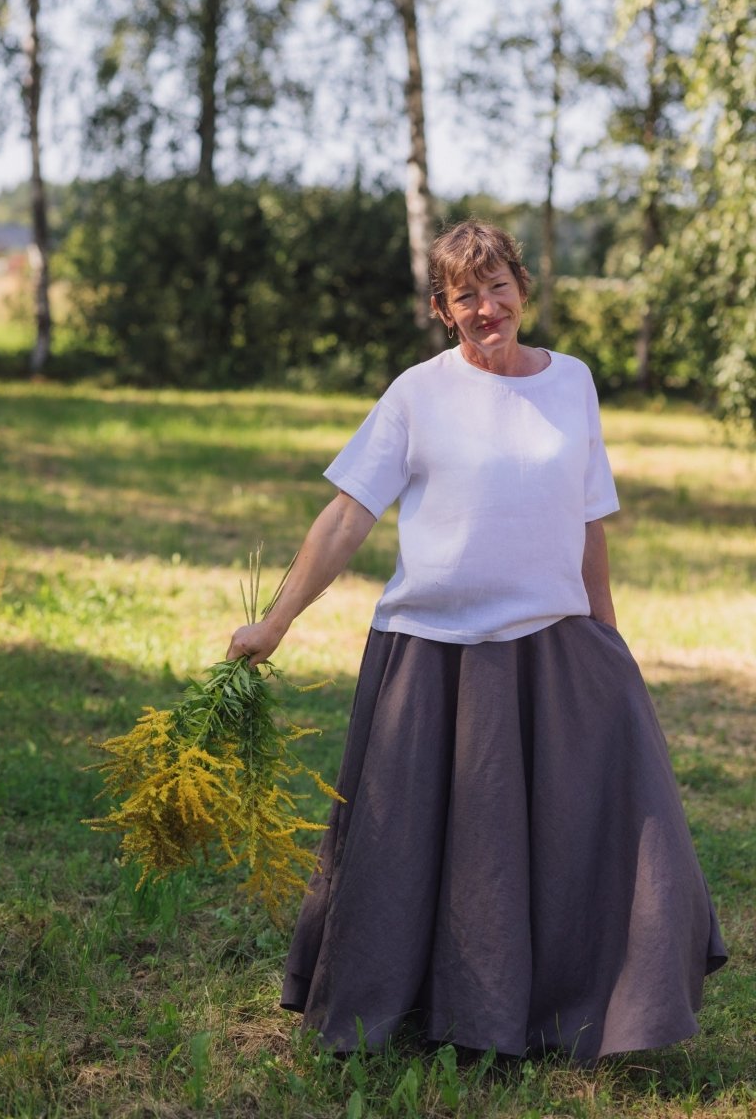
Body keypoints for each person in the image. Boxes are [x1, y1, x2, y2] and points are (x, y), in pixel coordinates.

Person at [226, 220, 727, 1062]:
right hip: (430, 654)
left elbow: (590, 523)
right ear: (443, 309)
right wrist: (274, 623)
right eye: (466, 296)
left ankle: (572, 1006)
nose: (487, 308)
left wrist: (606, 641)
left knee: (599, 830)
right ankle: (412, 1007)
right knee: (407, 850)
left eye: (499, 288)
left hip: (550, 645)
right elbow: (348, 515)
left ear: (523, 289)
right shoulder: (417, 394)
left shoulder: (573, 383)